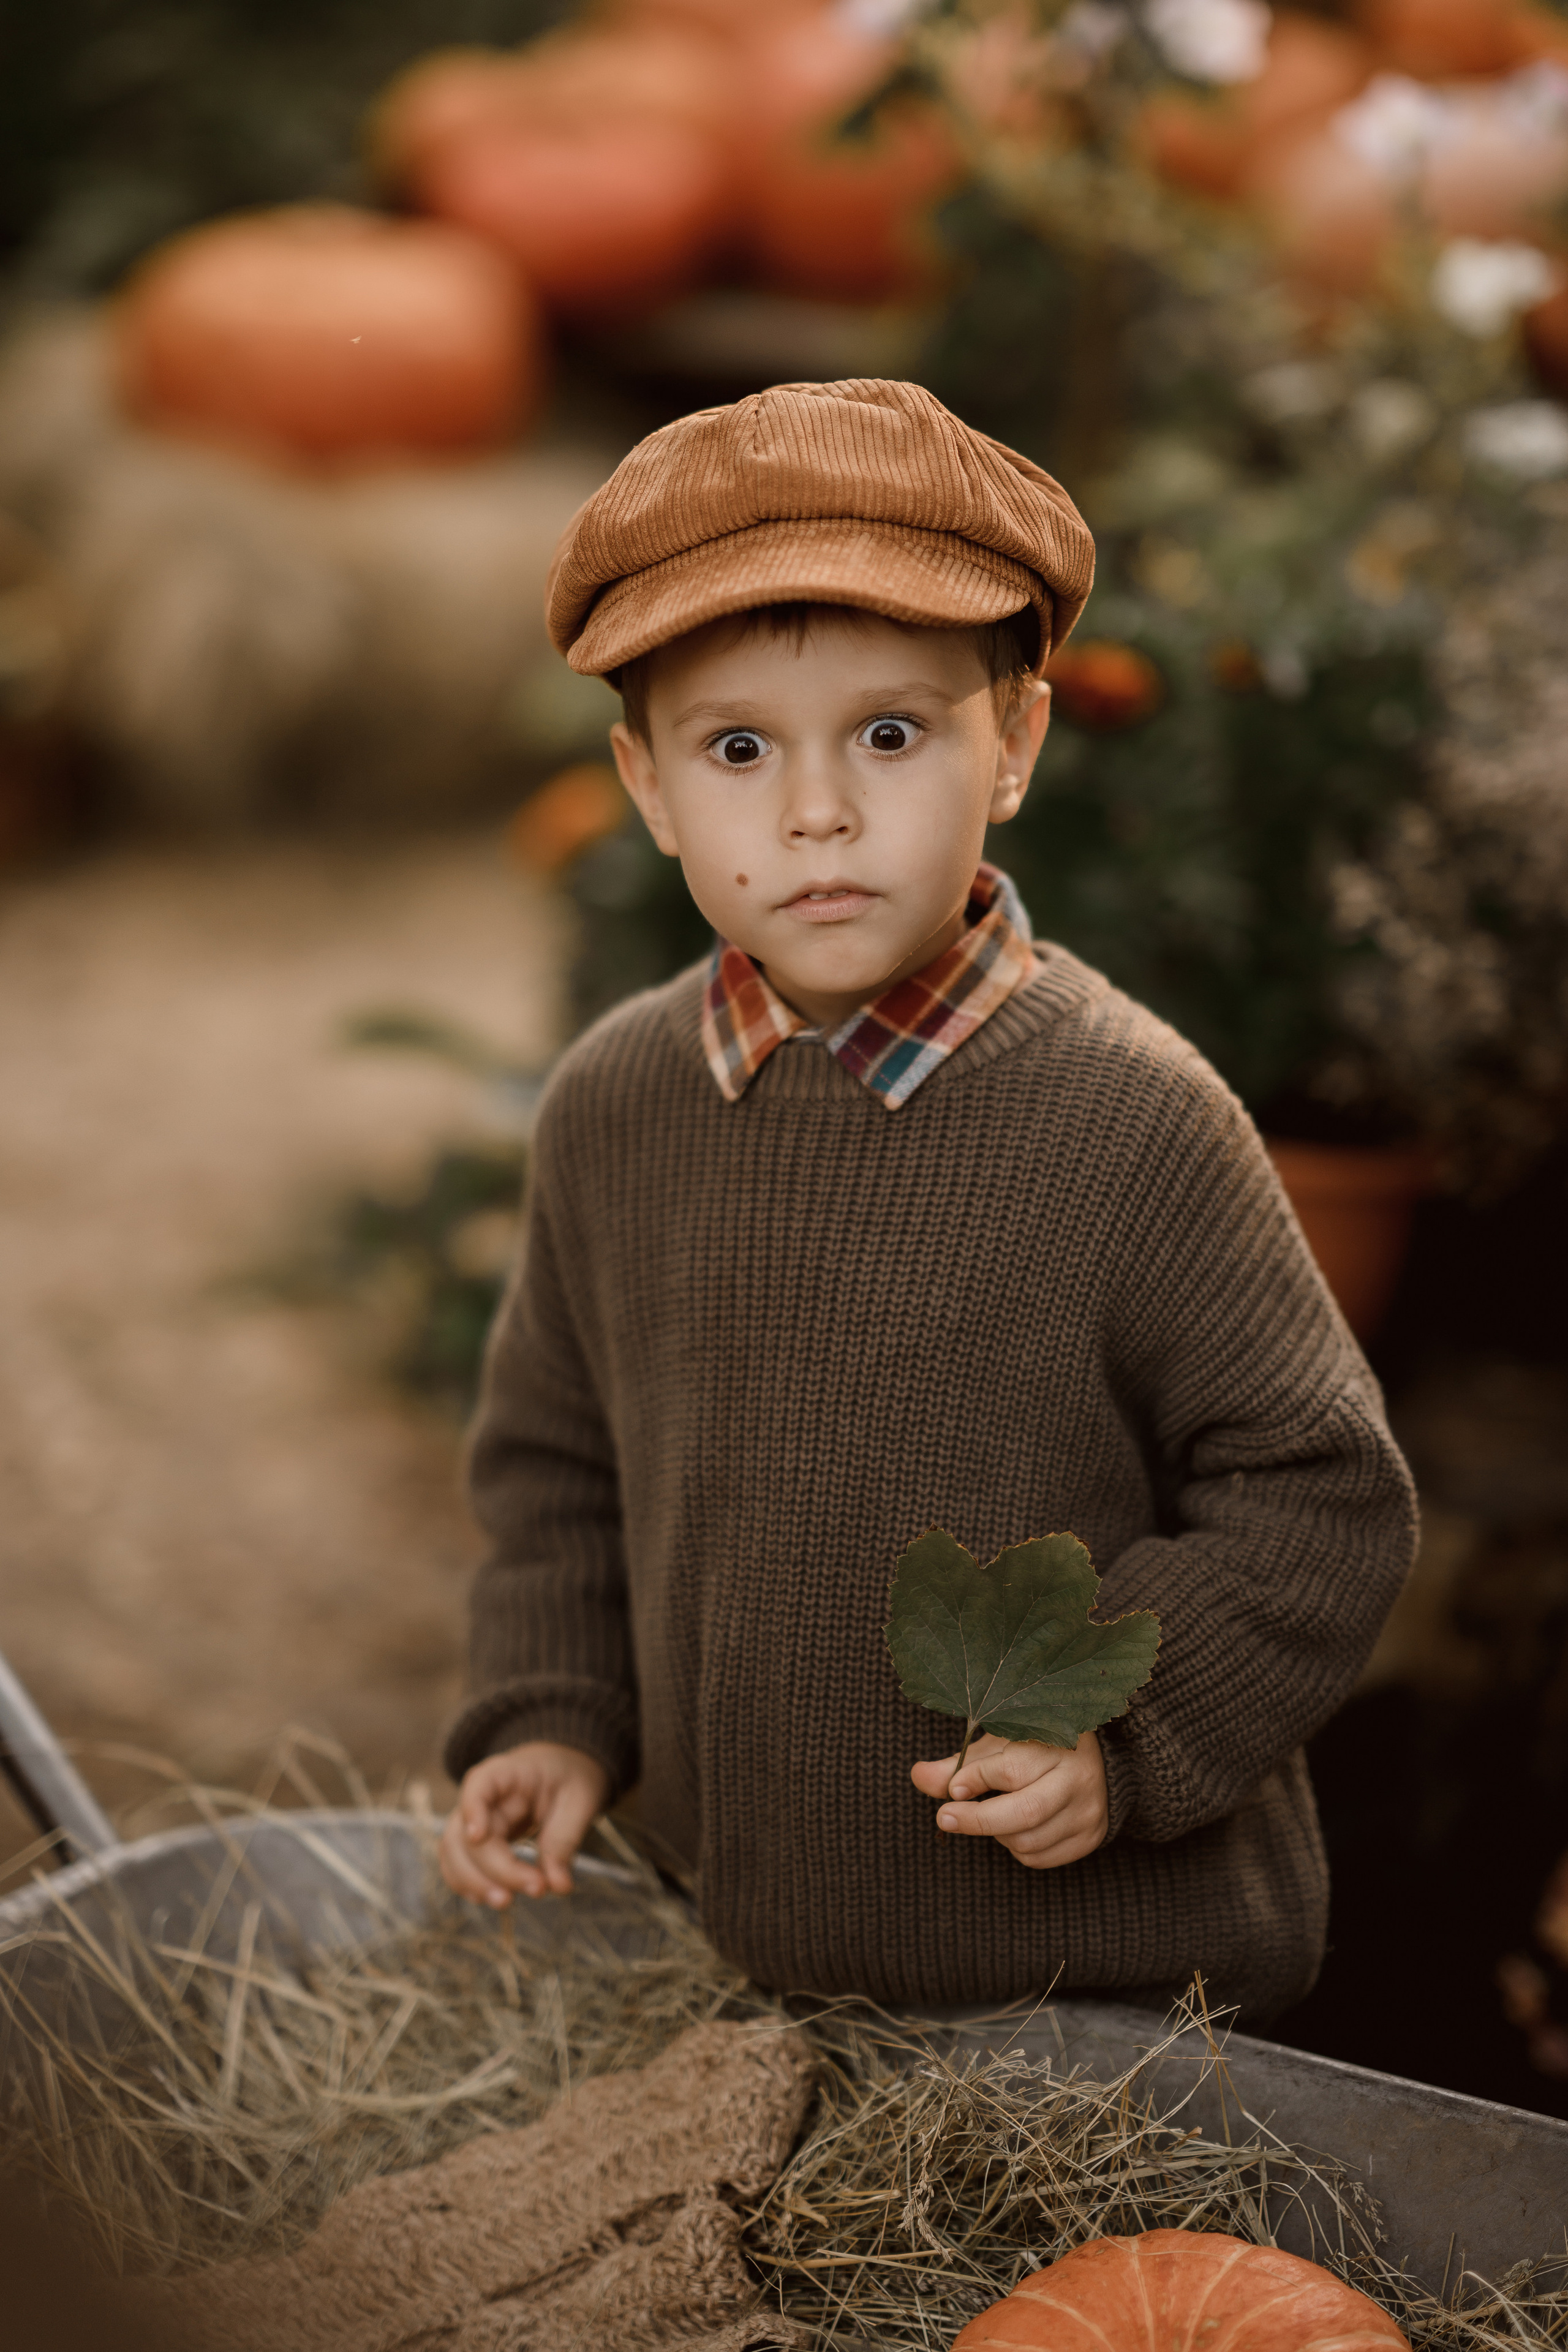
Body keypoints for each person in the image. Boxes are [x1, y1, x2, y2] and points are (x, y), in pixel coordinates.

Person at [437, 378, 1416, 2025]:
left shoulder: (1134, 1123)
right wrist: (554, 1709)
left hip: (1095, 2013)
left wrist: (1120, 1726)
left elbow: (1319, 1497)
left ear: (1014, 742)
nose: (816, 812)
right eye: (738, 748)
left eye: (890, 735)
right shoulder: (614, 1110)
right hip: (740, 1972)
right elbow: (558, 1464)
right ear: (649, 787)